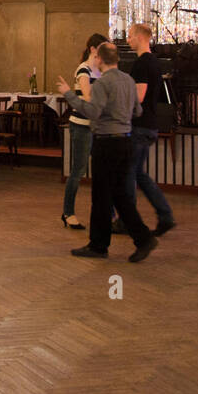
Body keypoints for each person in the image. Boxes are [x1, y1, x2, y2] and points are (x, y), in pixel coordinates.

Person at [57, 42, 157, 262]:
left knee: (101, 196)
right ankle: (142, 238)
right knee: (120, 195)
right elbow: (137, 110)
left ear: (100, 59)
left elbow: (92, 111)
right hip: (126, 141)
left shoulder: (102, 84)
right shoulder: (128, 80)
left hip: (107, 143)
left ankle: (99, 246)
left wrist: (69, 95)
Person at [123, 22, 175, 236]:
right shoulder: (154, 62)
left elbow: (139, 97)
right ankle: (164, 215)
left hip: (140, 126)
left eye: (130, 36)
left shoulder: (142, 64)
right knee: (138, 174)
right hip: (149, 124)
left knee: (129, 174)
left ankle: (129, 220)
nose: (127, 40)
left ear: (140, 37)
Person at [61, 33, 106, 230]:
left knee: (101, 171)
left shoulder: (101, 71)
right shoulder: (84, 70)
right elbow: (88, 96)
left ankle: (106, 213)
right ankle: (68, 212)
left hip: (96, 126)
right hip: (81, 125)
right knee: (78, 171)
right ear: (93, 49)